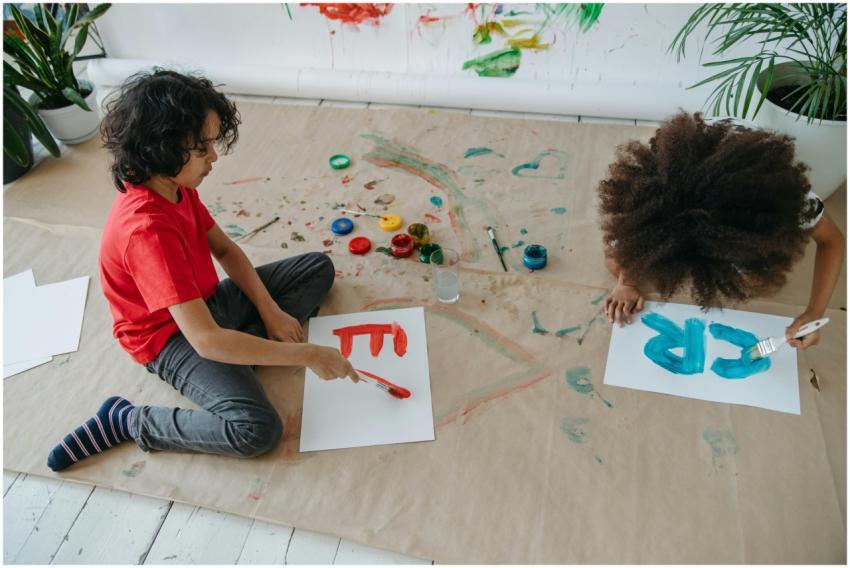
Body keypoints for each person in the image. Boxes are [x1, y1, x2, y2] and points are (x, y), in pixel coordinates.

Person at [47, 69, 358, 472]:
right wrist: (307, 354)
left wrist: (269, 311)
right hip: (169, 338)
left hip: (205, 305)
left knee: (316, 267)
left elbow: (226, 251)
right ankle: (126, 421)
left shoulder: (176, 187)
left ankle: (241, 353)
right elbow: (206, 340)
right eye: (202, 148)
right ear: (161, 148)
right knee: (256, 430)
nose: (213, 157)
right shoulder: (147, 231)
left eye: (211, 144)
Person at [598, 112, 844, 349]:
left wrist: (814, 312)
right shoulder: (649, 205)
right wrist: (625, 283)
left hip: (751, 173)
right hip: (686, 166)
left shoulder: (791, 203)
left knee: (754, 280)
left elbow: (832, 242)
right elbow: (622, 254)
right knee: (616, 263)